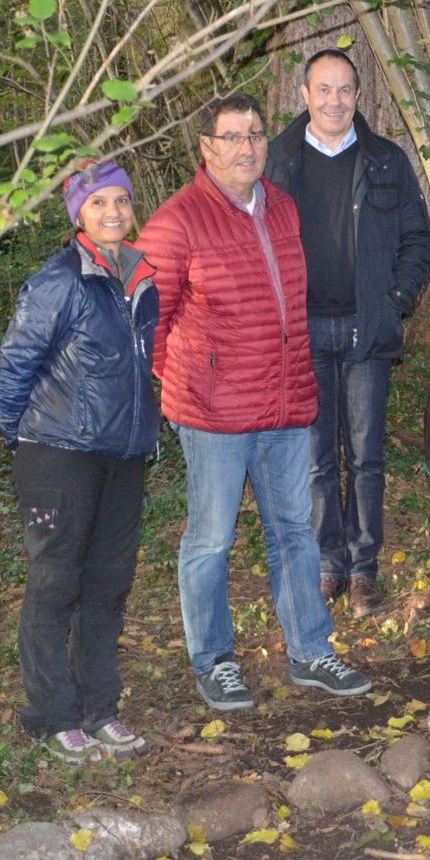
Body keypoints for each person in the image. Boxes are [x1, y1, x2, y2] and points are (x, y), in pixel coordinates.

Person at [137, 94, 371, 711]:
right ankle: (214, 661)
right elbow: (147, 326)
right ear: (207, 148)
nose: (247, 147)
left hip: (285, 405)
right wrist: (186, 386)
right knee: (210, 539)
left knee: (294, 531)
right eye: (232, 137)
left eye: (256, 135)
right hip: (214, 416)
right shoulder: (176, 221)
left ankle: (311, 650)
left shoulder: (284, 209)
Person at [267, 50, 430, 618]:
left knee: (365, 456)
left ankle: (364, 570)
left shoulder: (385, 160)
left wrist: (395, 302)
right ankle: (327, 564)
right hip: (302, 331)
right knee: (315, 457)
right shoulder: (276, 162)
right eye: (324, 89)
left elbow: (419, 241)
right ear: (304, 94)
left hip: (367, 329)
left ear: (358, 96)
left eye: (345, 90)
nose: (334, 100)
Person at [0, 161, 158, 762]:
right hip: (58, 456)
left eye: (121, 200)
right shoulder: (59, 280)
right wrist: (26, 439)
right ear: (78, 215)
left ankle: (100, 709)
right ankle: (52, 714)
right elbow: (13, 368)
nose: (112, 212)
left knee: (108, 585)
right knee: (54, 583)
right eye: (98, 204)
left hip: (124, 455)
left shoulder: (142, 276)